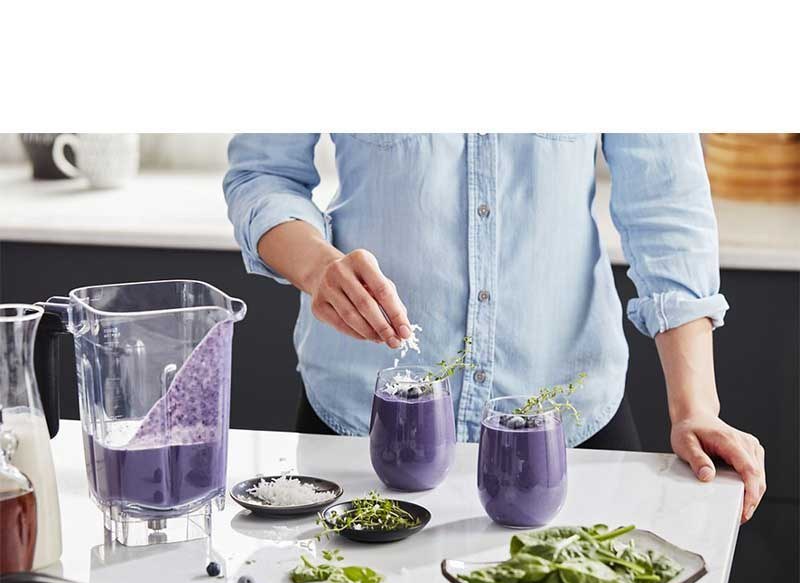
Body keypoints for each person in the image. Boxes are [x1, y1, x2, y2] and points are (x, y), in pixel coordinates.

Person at [224, 133, 766, 523]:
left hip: (567, 422)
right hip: (363, 420)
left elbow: (665, 203)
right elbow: (263, 174)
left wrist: (696, 407)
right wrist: (316, 266)